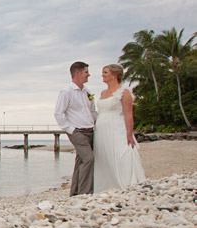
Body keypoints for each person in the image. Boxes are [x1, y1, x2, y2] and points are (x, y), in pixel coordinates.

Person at [93, 64, 146, 192]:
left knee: (121, 154)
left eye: (105, 72)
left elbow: (129, 115)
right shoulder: (103, 93)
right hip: (101, 130)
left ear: (114, 75)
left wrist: (129, 133)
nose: (103, 75)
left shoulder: (124, 92)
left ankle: (126, 183)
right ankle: (105, 186)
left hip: (117, 127)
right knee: (103, 157)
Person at [54, 61, 98, 195]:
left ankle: (75, 193)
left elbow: (92, 111)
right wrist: (70, 129)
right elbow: (58, 113)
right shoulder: (66, 92)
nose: (88, 75)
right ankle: (85, 193)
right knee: (89, 158)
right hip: (77, 131)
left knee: (81, 161)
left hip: (90, 130)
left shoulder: (87, 92)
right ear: (78, 73)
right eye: (86, 72)